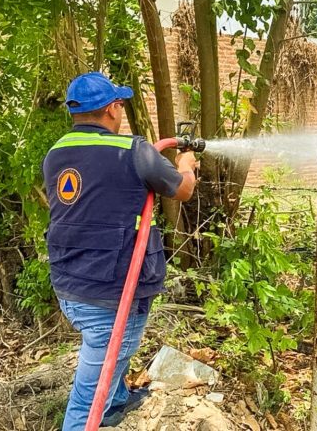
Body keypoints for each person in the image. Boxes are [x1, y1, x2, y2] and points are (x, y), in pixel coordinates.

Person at [42, 72, 197, 429]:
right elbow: (182, 190)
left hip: (70, 283)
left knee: (116, 354)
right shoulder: (132, 151)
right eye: (120, 105)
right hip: (111, 290)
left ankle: (114, 406)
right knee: (89, 396)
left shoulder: (55, 153)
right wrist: (186, 166)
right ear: (112, 109)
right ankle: (95, 414)